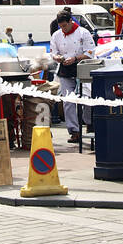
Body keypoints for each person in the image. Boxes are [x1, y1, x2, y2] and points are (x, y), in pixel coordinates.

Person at [48, 8, 94, 145]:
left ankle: (89, 124)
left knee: (88, 98)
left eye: (65, 26)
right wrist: (57, 57)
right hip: (65, 70)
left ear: (70, 21)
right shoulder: (56, 35)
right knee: (68, 101)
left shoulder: (83, 33)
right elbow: (53, 52)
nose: (63, 29)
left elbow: (90, 52)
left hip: (82, 68)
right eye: (60, 26)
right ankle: (74, 131)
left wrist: (75, 58)